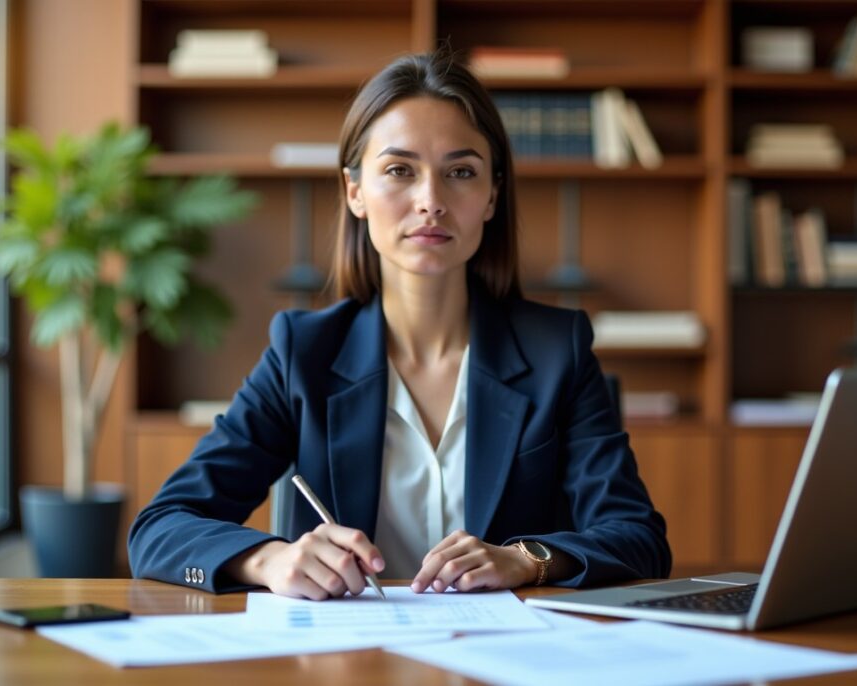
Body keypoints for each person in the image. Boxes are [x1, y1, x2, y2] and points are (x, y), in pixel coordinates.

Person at [128, 51, 671, 600]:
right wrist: (269, 559)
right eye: (399, 170)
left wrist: (524, 559)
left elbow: (638, 538)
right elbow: (159, 529)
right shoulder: (304, 354)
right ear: (355, 191)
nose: (430, 201)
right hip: (348, 648)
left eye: (461, 172)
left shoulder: (557, 351)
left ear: (492, 195)